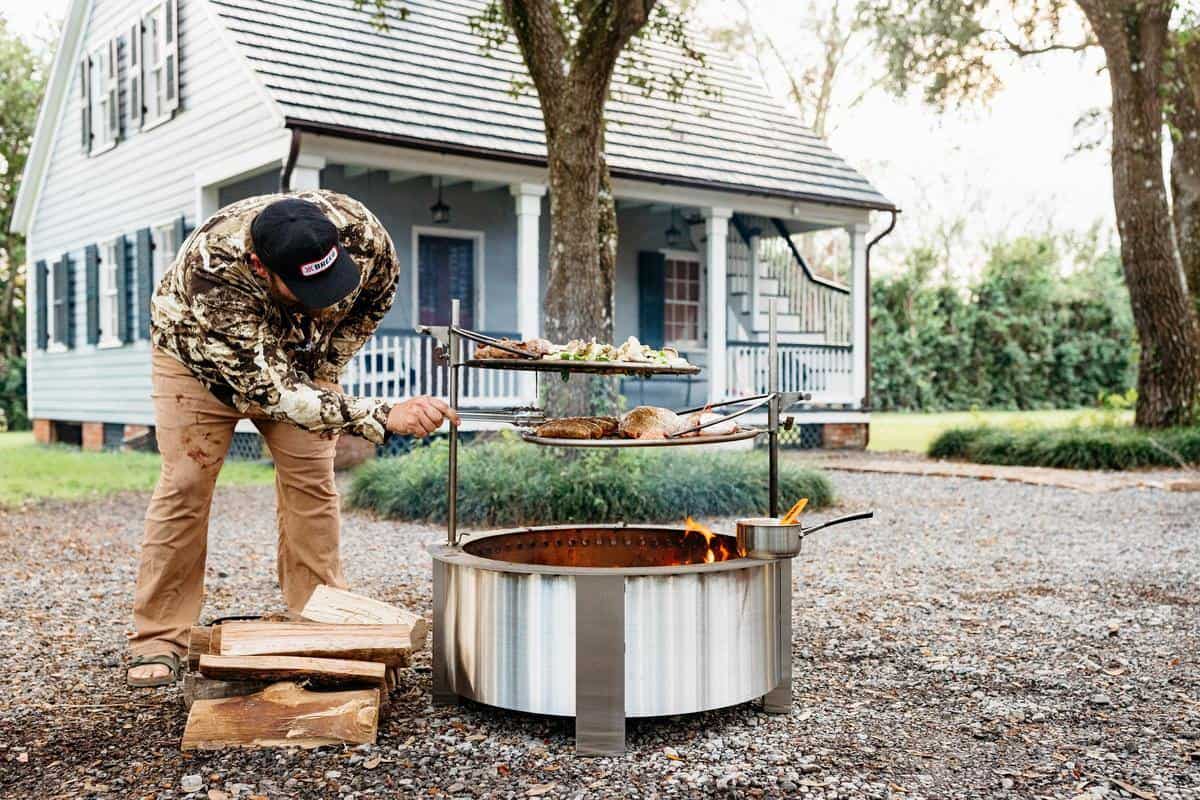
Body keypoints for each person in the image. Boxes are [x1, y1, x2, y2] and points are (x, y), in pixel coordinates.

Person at [127, 190, 458, 687]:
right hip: (197, 359)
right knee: (187, 483)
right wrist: (382, 414)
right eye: (308, 287)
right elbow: (275, 392)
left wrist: (325, 369)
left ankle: (321, 616)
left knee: (311, 479)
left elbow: (372, 302)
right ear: (262, 269)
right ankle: (159, 637)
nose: (326, 294)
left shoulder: (363, 236)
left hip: (298, 361)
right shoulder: (213, 273)